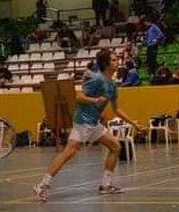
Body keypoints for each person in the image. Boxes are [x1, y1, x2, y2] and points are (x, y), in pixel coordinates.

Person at [33, 48, 138, 201]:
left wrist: (133, 123)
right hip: (83, 122)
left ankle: (106, 185)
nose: (117, 62)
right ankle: (41, 185)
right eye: (114, 60)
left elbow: (117, 109)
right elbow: (78, 96)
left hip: (94, 123)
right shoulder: (96, 79)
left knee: (115, 147)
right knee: (68, 153)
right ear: (106, 63)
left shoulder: (112, 85)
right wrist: (95, 100)